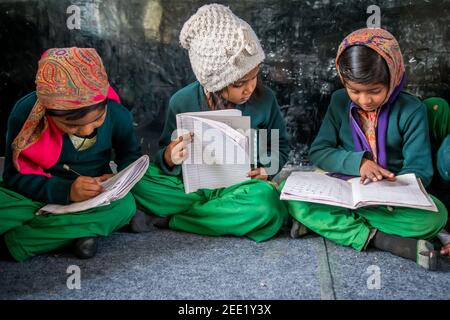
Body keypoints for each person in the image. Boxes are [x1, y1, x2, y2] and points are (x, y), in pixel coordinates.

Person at [285, 28, 448, 270]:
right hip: (344, 190)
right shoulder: (339, 101)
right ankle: (382, 239)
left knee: (436, 217)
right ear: (344, 81)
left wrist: (393, 187)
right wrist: (359, 164)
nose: (364, 100)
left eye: (374, 91)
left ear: (392, 79)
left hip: (391, 200)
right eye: (355, 91)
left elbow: (420, 169)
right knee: (292, 200)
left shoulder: (411, 110)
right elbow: (319, 151)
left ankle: (337, 226)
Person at [132, 4, 290, 242]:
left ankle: (171, 219)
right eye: (239, 84)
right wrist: (170, 157)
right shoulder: (182, 101)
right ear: (214, 81)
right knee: (138, 181)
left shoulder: (264, 101)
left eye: (254, 76)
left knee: (268, 205)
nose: (249, 88)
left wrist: (267, 170)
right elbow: (164, 154)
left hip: (242, 187)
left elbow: (279, 149)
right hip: (191, 186)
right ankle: (217, 213)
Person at [0, 47, 141, 261]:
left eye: (97, 120)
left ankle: (19, 241)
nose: (87, 130)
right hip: (38, 195)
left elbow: (130, 156)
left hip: (95, 197)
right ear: (47, 113)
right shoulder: (26, 113)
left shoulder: (117, 114)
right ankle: (80, 233)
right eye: (72, 126)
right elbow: (13, 176)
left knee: (126, 205)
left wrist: (118, 179)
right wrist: (65, 191)